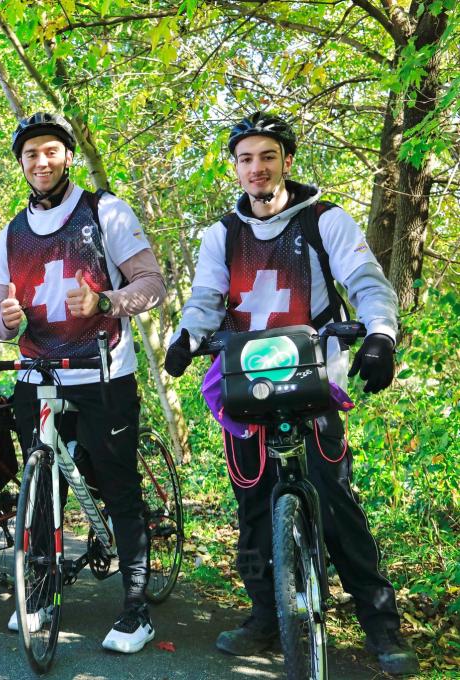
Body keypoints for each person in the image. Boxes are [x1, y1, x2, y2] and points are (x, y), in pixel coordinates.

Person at [163, 111, 418, 676]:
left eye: (268, 156)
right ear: (234, 168)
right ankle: (264, 616)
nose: (257, 168)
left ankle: (381, 626)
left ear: (286, 161)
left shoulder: (325, 220)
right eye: (246, 159)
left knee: (335, 499)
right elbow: (206, 298)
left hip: (313, 372)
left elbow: (365, 280)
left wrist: (379, 335)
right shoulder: (221, 235)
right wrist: (186, 337)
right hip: (244, 376)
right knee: (253, 499)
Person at [0, 112, 167, 654]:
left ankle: (136, 610)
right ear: (20, 163)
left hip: (103, 371)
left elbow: (152, 283)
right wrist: (7, 320)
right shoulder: (12, 231)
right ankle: (40, 590)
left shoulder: (104, 211)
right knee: (43, 489)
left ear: (67, 156)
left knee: (118, 485)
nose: (40, 162)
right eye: (29, 154)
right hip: (36, 374)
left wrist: (106, 300)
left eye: (49, 151)